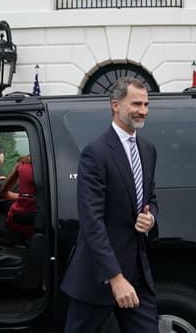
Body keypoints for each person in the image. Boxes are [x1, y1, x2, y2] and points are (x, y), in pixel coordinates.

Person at [61, 77, 159, 333]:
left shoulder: (148, 150)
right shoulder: (96, 153)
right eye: (136, 103)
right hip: (98, 275)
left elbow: (150, 199)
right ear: (115, 105)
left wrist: (150, 219)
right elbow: (92, 221)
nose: (143, 110)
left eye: (146, 104)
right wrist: (115, 278)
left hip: (137, 273)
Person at [0, 152, 37, 239]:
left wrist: (24, 197)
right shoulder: (54, 169)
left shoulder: (22, 164)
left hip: (15, 223)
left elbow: (2, 193)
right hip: (37, 227)